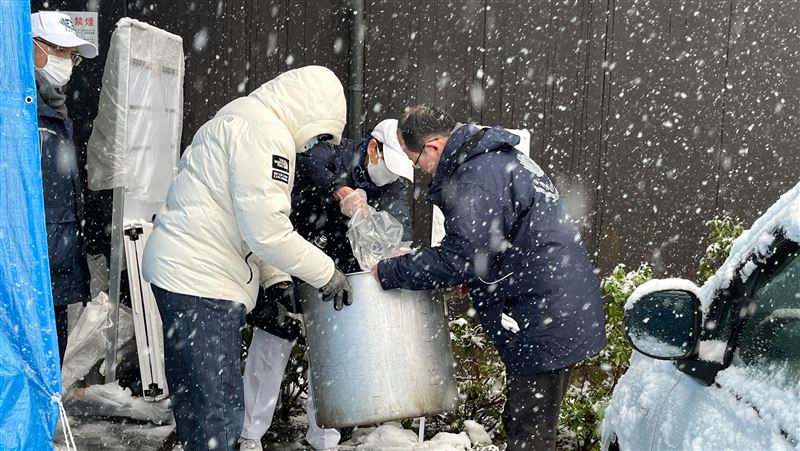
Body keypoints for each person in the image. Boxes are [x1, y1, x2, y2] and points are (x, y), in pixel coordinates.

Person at [141, 66, 354, 451]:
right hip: (203, 281)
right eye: (320, 134)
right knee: (218, 413)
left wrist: (276, 280)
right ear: (309, 112)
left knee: (197, 402)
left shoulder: (239, 118)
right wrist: (328, 274)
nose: (315, 146)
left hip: (181, 272)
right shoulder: (267, 135)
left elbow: (246, 218)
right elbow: (268, 231)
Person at [373, 105, 607, 451]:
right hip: (554, 304)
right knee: (524, 421)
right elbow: (499, 242)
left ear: (433, 147)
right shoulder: (493, 158)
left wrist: (391, 270)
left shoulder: (476, 176)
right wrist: (478, 274)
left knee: (529, 433)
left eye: (415, 159)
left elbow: (460, 258)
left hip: (542, 315)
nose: (419, 169)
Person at [239, 119, 413, 451]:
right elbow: (302, 163)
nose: (390, 176)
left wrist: (397, 249)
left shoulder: (394, 186)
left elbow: (400, 231)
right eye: (388, 166)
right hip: (296, 254)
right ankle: (250, 432)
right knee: (274, 341)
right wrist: (340, 189)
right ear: (373, 148)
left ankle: (324, 436)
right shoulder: (332, 151)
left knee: (333, 352)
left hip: (343, 271)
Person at [31, 11, 98, 364]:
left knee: (49, 365)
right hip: (30, 272)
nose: (68, 63)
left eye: (71, 55)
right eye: (59, 50)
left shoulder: (54, 108)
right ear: (32, 48)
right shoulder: (22, 109)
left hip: (52, 270)